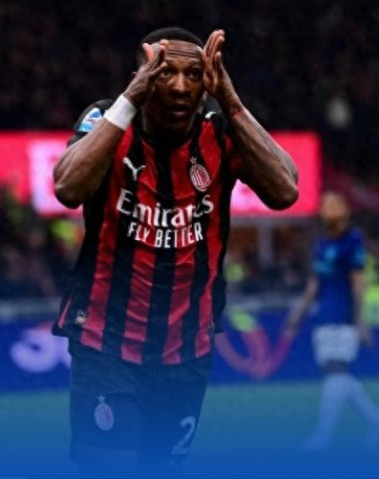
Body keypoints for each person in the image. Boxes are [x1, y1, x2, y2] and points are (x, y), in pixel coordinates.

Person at [51, 27, 298, 476]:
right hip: (106, 343)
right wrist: (130, 97)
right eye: (166, 72)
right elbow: (67, 188)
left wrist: (231, 101)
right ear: (144, 76)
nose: (182, 86)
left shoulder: (220, 131)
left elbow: (285, 191)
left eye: (194, 74)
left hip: (186, 351)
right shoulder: (108, 118)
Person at [284, 192, 379, 451]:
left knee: (336, 371)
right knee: (337, 375)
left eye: (334, 204)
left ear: (345, 211)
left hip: (343, 315)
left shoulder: (352, 241)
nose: (328, 208)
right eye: (325, 205)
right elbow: (315, 284)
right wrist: (299, 312)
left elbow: (358, 283)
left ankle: (324, 435)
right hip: (324, 315)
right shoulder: (321, 243)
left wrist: (360, 321)